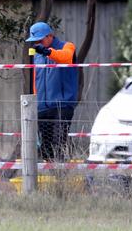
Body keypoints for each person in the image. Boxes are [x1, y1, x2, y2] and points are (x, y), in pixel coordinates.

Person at [26, 21, 79, 161]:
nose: (37, 43)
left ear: (50, 36)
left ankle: (60, 175)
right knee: (45, 148)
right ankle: (52, 177)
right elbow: (35, 79)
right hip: (42, 106)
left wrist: (48, 52)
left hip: (63, 104)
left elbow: (65, 57)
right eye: (35, 41)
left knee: (58, 142)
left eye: (40, 40)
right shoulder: (37, 55)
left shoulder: (67, 46)